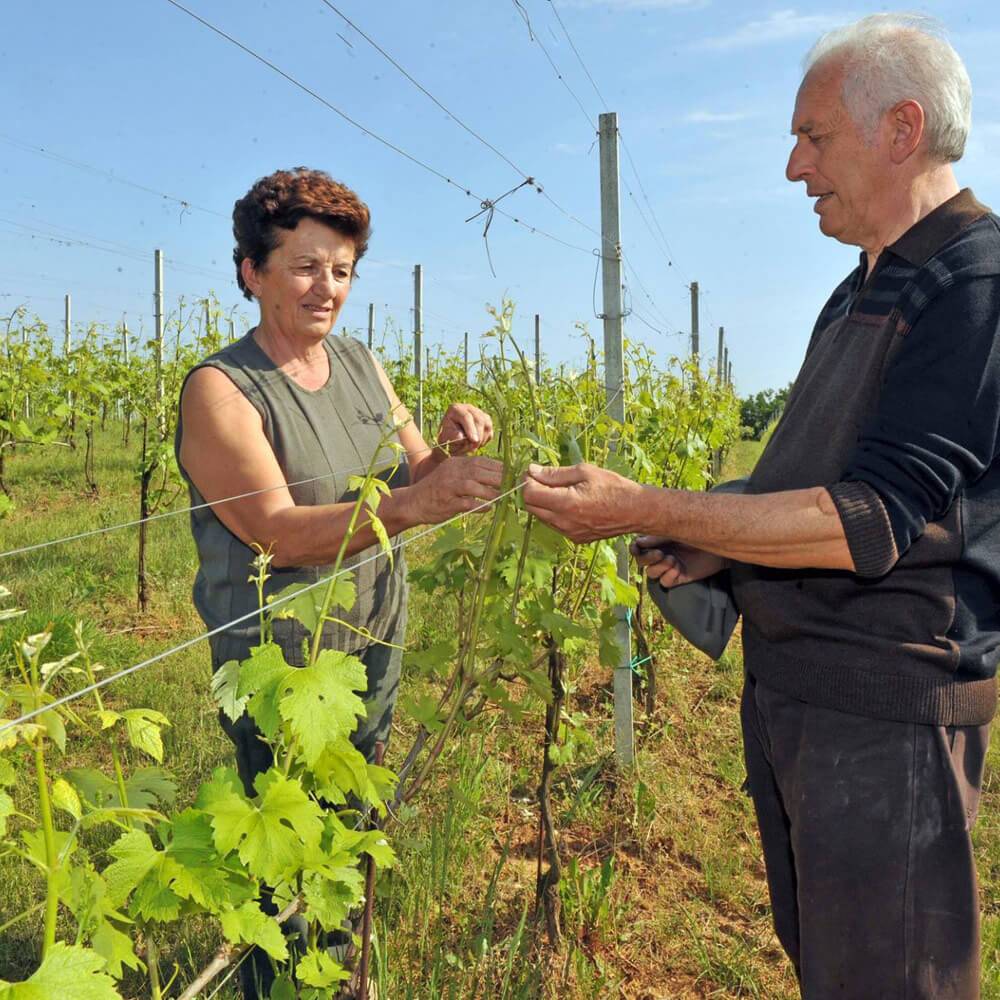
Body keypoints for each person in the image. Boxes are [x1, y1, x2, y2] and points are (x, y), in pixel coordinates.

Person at [523, 14, 998, 998]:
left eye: (812, 135)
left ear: (900, 127)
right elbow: (814, 481)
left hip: (887, 716)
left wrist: (646, 503)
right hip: (801, 701)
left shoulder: (973, 283)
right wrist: (709, 544)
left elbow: (868, 521)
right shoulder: (859, 287)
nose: (792, 166)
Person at [176, 167, 502, 997]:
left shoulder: (360, 363)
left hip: (364, 653)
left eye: (343, 271)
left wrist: (454, 447)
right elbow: (277, 531)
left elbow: (421, 468)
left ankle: (340, 976)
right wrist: (415, 503)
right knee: (280, 868)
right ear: (252, 270)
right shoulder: (223, 390)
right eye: (306, 266)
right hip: (280, 672)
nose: (329, 289)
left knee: (346, 845)